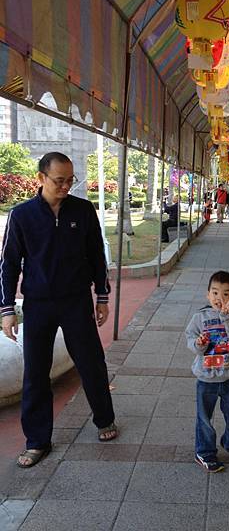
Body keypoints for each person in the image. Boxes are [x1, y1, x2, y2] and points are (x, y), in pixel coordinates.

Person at [0, 152, 117, 468]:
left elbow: (96, 256)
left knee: (92, 362)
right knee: (36, 372)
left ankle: (104, 419)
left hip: (76, 301)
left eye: (70, 180)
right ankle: (37, 441)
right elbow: (9, 264)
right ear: (41, 178)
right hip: (38, 304)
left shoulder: (82, 210)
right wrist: (7, 309)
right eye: (59, 180)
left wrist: (102, 297)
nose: (66, 186)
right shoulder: (21, 215)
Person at [185, 270, 229, 472]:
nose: (219, 298)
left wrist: (227, 317)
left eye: (226, 294)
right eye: (215, 293)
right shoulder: (199, 316)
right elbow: (191, 341)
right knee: (204, 418)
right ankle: (204, 452)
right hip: (206, 378)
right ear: (207, 294)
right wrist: (198, 343)